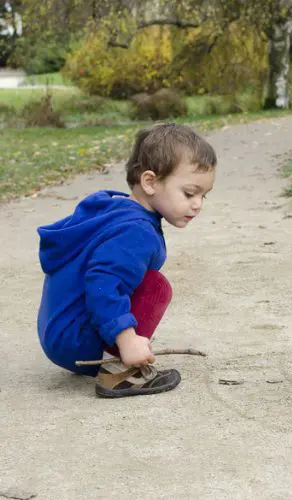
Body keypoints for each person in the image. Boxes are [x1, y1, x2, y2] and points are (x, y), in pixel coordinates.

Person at [37, 123, 216, 398]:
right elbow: (103, 282)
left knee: (139, 279)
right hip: (75, 342)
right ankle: (120, 374)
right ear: (150, 182)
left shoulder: (114, 209)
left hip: (58, 333)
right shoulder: (136, 231)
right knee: (156, 286)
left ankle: (115, 345)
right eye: (189, 193)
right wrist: (127, 338)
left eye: (204, 196)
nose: (198, 204)